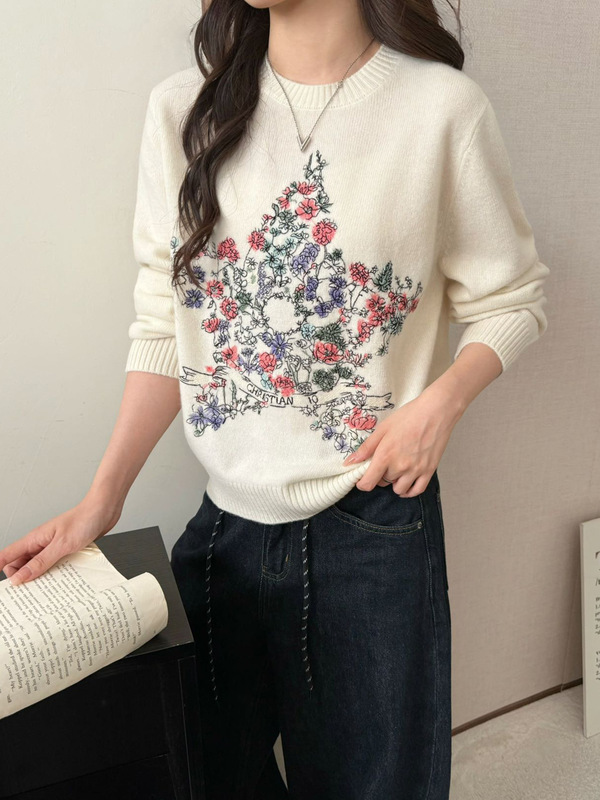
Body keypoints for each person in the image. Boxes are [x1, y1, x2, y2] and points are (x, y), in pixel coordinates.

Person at [0, 0, 550, 797]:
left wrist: (440, 404)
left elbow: (513, 298)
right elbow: (164, 327)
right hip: (223, 531)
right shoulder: (182, 111)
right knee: (199, 774)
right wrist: (101, 501)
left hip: (373, 526)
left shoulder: (441, 112)